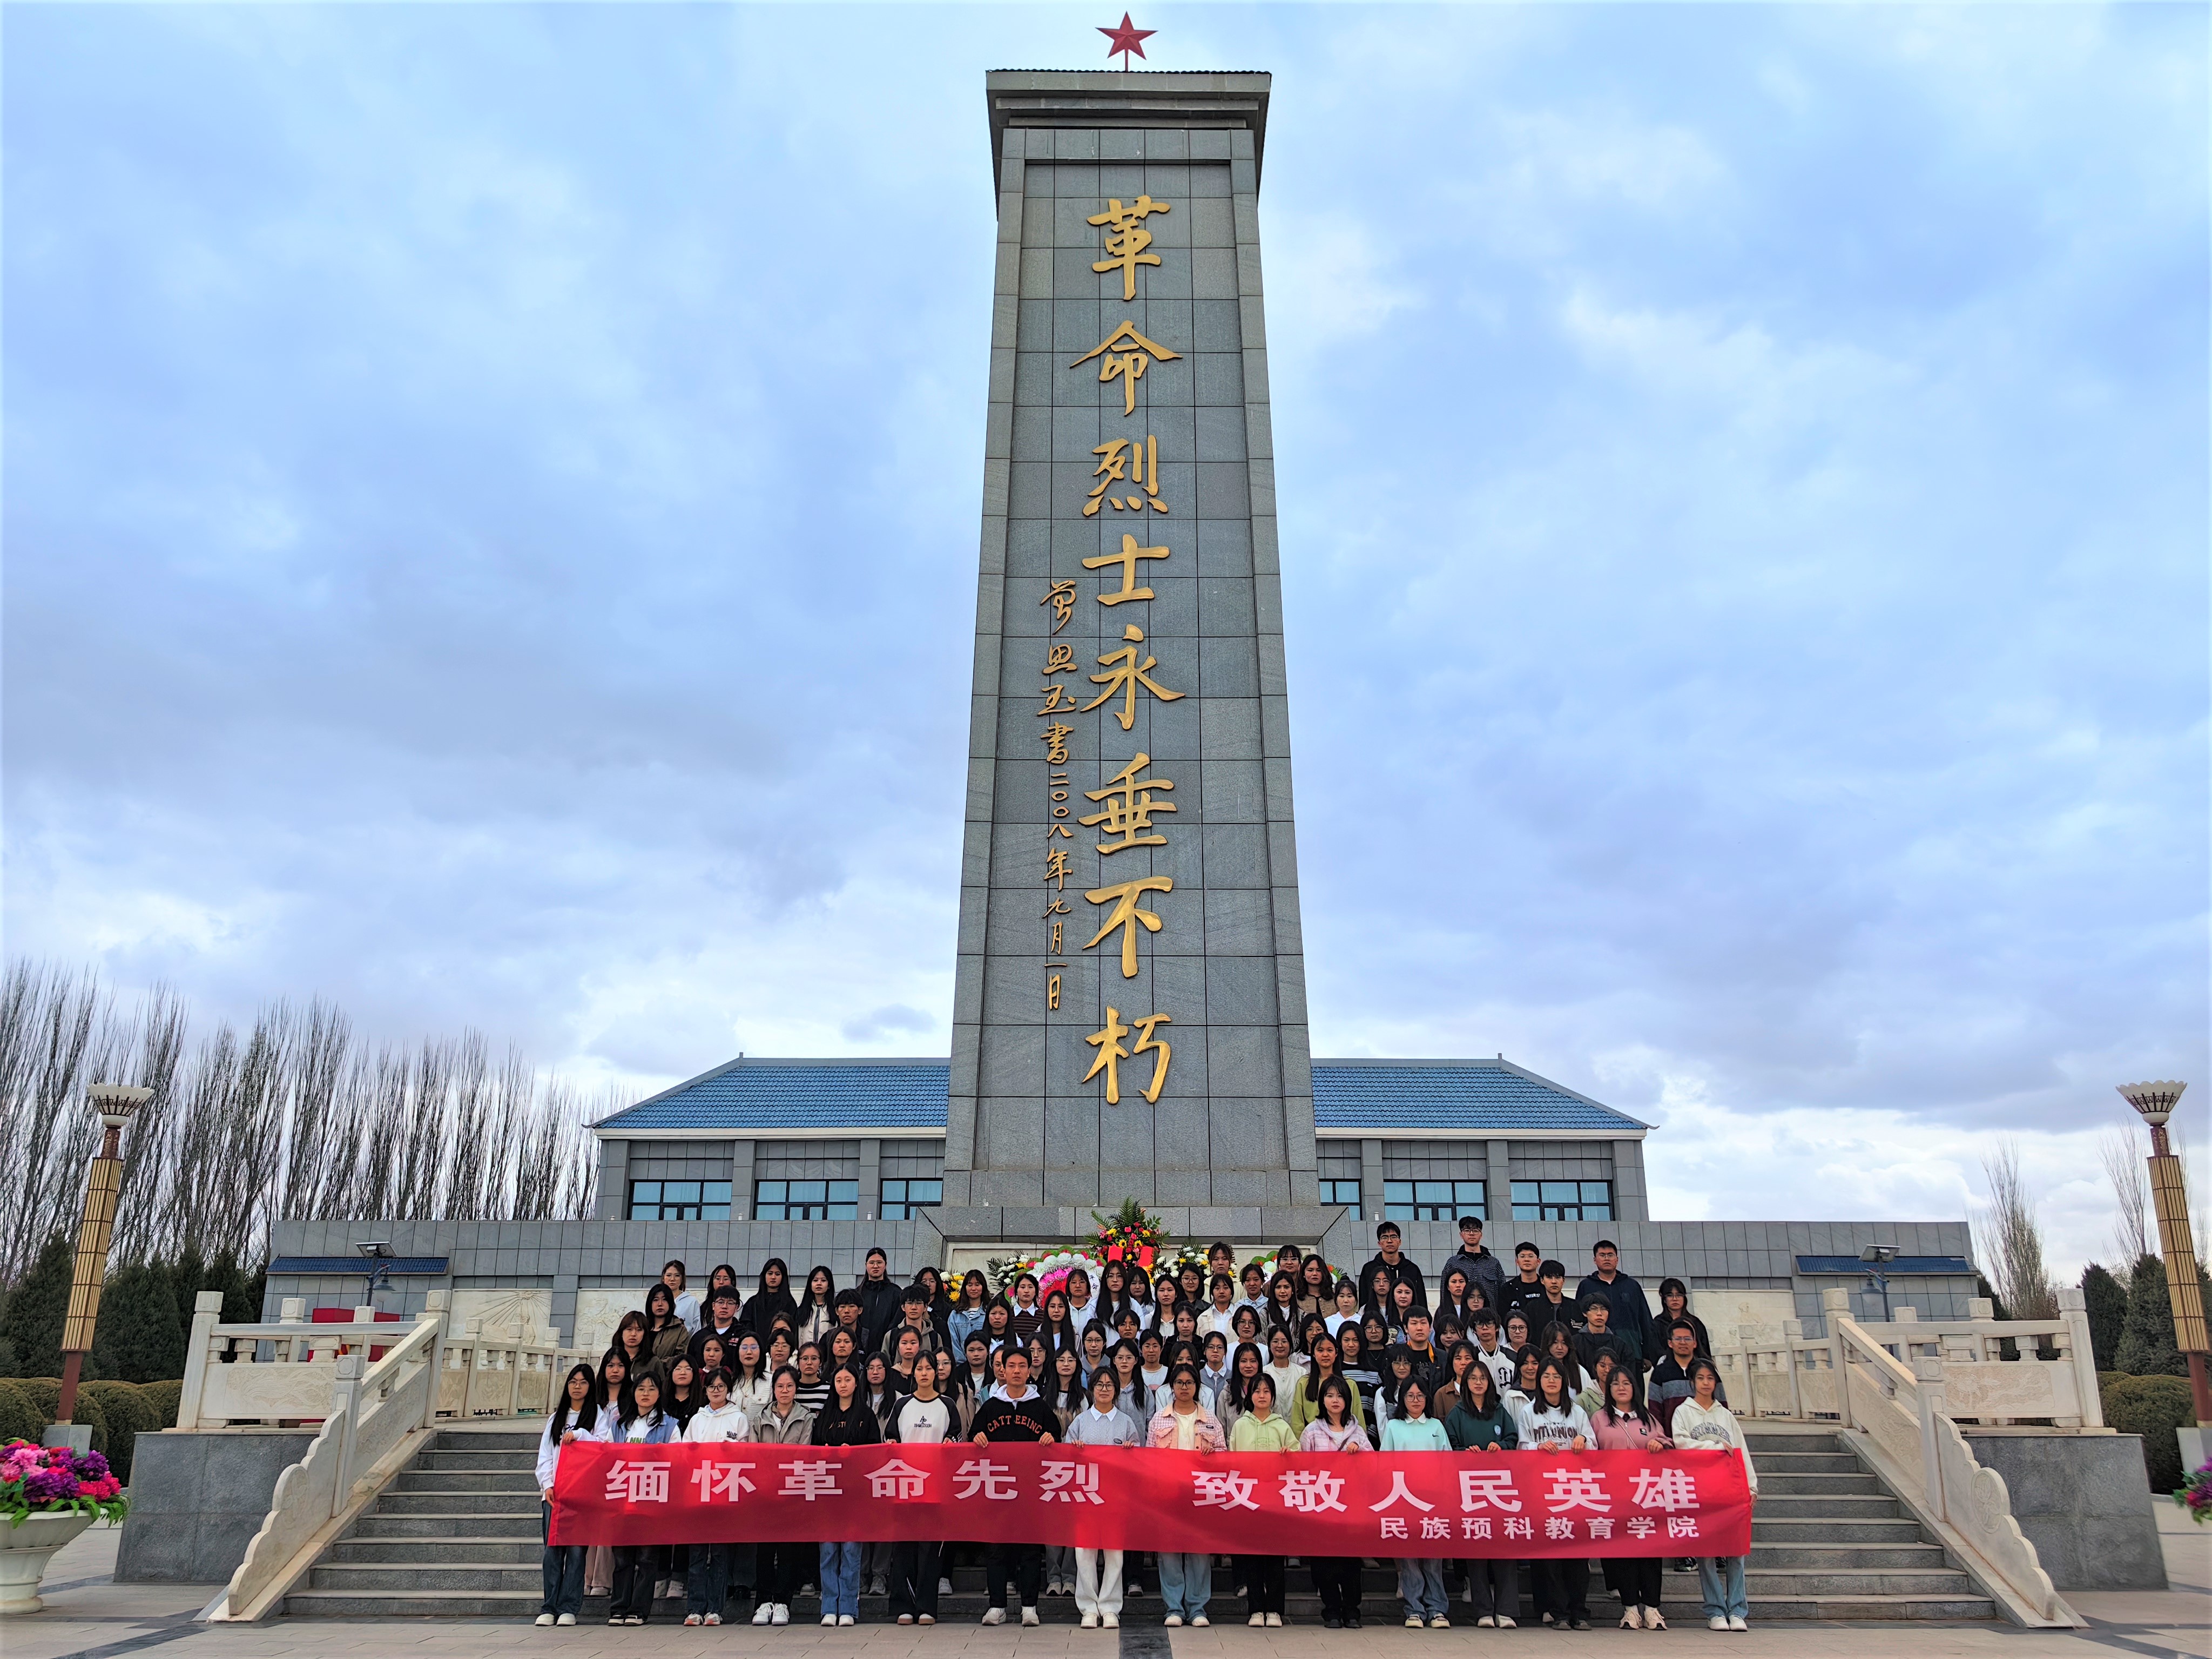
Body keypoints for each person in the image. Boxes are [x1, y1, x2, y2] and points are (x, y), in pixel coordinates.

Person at [970, 1347, 1056, 1627]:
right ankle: (997, 1606)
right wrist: (978, 1438)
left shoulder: (1040, 1407)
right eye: (1011, 1366)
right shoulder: (990, 1407)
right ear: (1002, 1370)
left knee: (1030, 1549)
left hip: (1031, 1490)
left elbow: (1057, 1438)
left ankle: (1030, 1607)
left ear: (1030, 1371)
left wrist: (1050, 1438)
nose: (1017, 1371)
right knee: (995, 1548)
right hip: (997, 1489)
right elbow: (972, 1438)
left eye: (1022, 1366)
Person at [1670, 1357, 1756, 1631]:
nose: (1706, 1383)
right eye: (1701, 1378)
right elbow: (1681, 1444)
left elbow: (1741, 1451)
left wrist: (1751, 1486)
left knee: (1736, 1551)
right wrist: (1715, 1446)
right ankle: (1715, 1610)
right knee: (1706, 1553)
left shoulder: (1725, 1415)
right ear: (1692, 1382)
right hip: (1701, 1490)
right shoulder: (1683, 1412)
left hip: (1730, 1490)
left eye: (1710, 1378)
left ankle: (1738, 1610)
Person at [1516, 1359, 1594, 1630]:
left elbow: (1594, 1444)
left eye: (1556, 1376)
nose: (1551, 1380)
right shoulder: (1528, 1412)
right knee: (1551, 1557)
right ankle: (1559, 1612)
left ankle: (1579, 1612)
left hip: (1575, 1490)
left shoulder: (1578, 1412)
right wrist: (1538, 1447)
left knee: (1578, 1556)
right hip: (1544, 1491)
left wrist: (1584, 1440)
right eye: (1546, 1376)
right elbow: (1521, 1447)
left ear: (1564, 1381)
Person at [1592, 1368, 1672, 1629]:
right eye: (1615, 1384)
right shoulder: (1600, 1419)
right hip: (1615, 1495)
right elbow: (1591, 1450)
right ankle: (1630, 1608)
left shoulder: (1648, 1419)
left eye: (1627, 1383)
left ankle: (1652, 1608)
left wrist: (1661, 1445)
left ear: (1635, 1388)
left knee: (1650, 1551)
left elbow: (1667, 1443)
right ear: (1609, 1390)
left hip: (1646, 1495)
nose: (1621, 1388)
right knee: (1623, 1551)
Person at [1148, 1362, 1224, 1628]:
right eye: (1179, 1383)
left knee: (1199, 1552)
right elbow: (1150, 1459)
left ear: (1197, 1387)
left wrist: (1213, 1456)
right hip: (1168, 1495)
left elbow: (1224, 1454)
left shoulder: (1210, 1420)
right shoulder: (1159, 1419)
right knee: (1169, 1553)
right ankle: (1174, 1608)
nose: (1184, 1387)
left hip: (1200, 1495)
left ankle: (1197, 1608)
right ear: (1172, 1387)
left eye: (1189, 1383)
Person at [1441, 1361, 1518, 1627]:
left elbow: (1513, 1438)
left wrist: (1501, 1446)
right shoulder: (1457, 1413)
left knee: (1504, 1546)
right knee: (1477, 1546)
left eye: (1482, 1378)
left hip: (1500, 1487)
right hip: (1469, 1488)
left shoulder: (1500, 1410)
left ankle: (1506, 1610)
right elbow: (1449, 1445)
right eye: (1473, 1378)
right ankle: (1484, 1611)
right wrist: (1465, 1452)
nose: (1477, 1382)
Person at [1064, 1368, 1139, 1629]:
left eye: (1109, 1385)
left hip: (1115, 1499)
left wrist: (1130, 1451)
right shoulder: (1081, 1422)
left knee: (1114, 1554)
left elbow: (1139, 1461)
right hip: (1086, 1497)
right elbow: (1066, 1460)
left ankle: (1110, 1607)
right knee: (1085, 1553)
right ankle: (1088, 1607)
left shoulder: (1126, 1423)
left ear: (1116, 1390)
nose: (1104, 1389)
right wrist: (1074, 1451)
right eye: (1100, 1385)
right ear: (1092, 1389)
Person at [810, 1363, 880, 1627]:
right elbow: (813, 1450)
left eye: (847, 1380)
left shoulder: (866, 1415)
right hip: (828, 1492)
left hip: (855, 1493)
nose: (843, 1385)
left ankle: (849, 1606)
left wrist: (855, 1453)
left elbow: (875, 1452)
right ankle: (829, 1606)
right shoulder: (825, 1415)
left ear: (856, 1383)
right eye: (838, 1380)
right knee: (828, 1550)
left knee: (851, 1550)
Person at [886, 1351, 953, 1627]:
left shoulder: (946, 1405)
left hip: (935, 1488)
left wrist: (950, 1443)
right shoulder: (902, 1404)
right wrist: (891, 1445)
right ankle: (903, 1605)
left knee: (930, 1549)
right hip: (905, 1486)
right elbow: (890, 1437)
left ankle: (927, 1607)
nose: (924, 1373)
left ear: (936, 1373)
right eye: (920, 1369)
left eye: (929, 1368)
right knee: (904, 1547)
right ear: (913, 1373)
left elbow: (956, 1438)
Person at [1296, 1375, 1368, 1629]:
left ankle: (1352, 1611)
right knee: (1324, 1562)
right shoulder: (1311, 1431)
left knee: (1351, 1561)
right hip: (1322, 1505)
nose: (1335, 1400)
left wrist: (1359, 1453)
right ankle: (1332, 1611)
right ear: (1322, 1400)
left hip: (1350, 1506)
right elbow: (1303, 1468)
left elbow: (1372, 1466)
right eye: (1329, 1396)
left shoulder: (1358, 1432)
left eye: (1339, 1396)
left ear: (1347, 1400)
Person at [1379, 1375, 1451, 1628]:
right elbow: (1385, 1464)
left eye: (1420, 1396)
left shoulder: (1436, 1426)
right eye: (1410, 1396)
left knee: (1433, 1558)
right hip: (1404, 1499)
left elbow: (1447, 1461)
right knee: (1409, 1558)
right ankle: (1415, 1609)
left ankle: (1437, 1609)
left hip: (1433, 1500)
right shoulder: (1394, 1427)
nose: (1416, 1400)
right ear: (1403, 1399)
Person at [682, 1367, 751, 1627]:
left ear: (728, 1389)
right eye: (712, 1387)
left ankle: (715, 1609)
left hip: (725, 1493)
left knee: (720, 1554)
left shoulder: (739, 1418)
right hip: (698, 1492)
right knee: (698, 1554)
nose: (716, 1391)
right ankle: (694, 1608)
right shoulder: (697, 1419)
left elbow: (746, 1453)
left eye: (721, 1387)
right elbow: (684, 1452)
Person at [606, 1372, 677, 1626]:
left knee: (647, 1558)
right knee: (622, 1558)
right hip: (623, 1498)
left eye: (651, 1389)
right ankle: (618, 1608)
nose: (646, 1394)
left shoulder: (670, 1425)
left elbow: (677, 1461)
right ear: (634, 1392)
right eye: (641, 1389)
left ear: (660, 1393)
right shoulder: (619, 1425)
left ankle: (638, 1610)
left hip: (651, 1498)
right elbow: (606, 1457)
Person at [748, 1365, 815, 1626]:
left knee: (789, 1549)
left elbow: (805, 1452)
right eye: (780, 1386)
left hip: (792, 1491)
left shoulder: (806, 1417)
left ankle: (783, 1603)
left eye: (789, 1386)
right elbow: (753, 1456)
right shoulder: (760, 1418)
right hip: (766, 1492)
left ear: (796, 1389)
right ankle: (764, 1602)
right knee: (765, 1550)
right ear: (773, 1389)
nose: (784, 1391)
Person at [1227, 1373, 1296, 1626]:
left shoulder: (1282, 1426)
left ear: (1273, 1397)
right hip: (1249, 1500)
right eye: (1257, 1391)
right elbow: (1231, 1460)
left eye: (1267, 1391)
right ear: (1250, 1395)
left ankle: (1275, 1610)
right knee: (1252, 1557)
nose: (1262, 1395)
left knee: (1275, 1557)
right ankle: (1256, 1609)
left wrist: (1289, 1454)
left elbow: (1298, 1456)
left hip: (1276, 1500)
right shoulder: (1240, 1426)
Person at [534, 1363, 599, 1627]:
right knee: (552, 1552)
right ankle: (549, 1606)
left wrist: (581, 1434)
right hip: (555, 1495)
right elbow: (545, 1456)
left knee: (576, 1552)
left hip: (582, 1495)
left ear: (591, 1386)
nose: (577, 1387)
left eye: (583, 1382)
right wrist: (547, 1484)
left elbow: (604, 1447)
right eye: (573, 1382)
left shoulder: (598, 1416)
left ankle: (569, 1607)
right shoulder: (556, 1418)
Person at [1577, 1240, 1657, 1367]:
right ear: (1595, 1260)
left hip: (1631, 1350)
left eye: (1610, 1255)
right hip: (1594, 1354)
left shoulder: (1632, 1286)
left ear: (1617, 1259)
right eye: (1602, 1255)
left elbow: (1644, 1320)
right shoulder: (1586, 1286)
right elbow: (1579, 1319)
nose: (1607, 1258)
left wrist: (1648, 1354)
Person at [1649, 1318, 1724, 1430]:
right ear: (1670, 1343)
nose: (1683, 1342)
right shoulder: (1660, 1373)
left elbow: (1722, 1404)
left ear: (1695, 1343)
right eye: (1678, 1339)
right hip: (1672, 1435)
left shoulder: (1707, 1371)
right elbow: (1655, 1410)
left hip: (1707, 1434)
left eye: (1687, 1339)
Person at [1291, 1329, 1365, 1433]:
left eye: (1330, 1350)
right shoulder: (1304, 1384)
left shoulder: (1349, 1384)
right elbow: (1297, 1422)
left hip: (1344, 1439)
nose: (1325, 1355)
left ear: (1336, 1353)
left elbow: (1358, 1419)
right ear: (1313, 1354)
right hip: (1312, 1439)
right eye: (1320, 1350)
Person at [1442, 1216, 1507, 1315]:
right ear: (1461, 1235)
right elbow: (1444, 1293)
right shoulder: (1453, 1263)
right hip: (1461, 1317)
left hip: (1490, 1317)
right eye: (1467, 1230)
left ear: (1481, 1235)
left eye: (1476, 1230)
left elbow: (1503, 1293)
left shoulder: (1494, 1263)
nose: (1471, 1233)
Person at [880, 1281, 950, 1362]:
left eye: (919, 1303)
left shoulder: (934, 1338)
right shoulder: (891, 1336)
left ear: (925, 1307)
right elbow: (885, 1364)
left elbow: (939, 1364)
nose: (914, 1307)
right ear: (903, 1307)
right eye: (910, 1303)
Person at [1359, 1221, 1427, 1305]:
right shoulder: (1369, 1269)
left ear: (1400, 1242)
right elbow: (1364, 1300)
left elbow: (1421, 1301)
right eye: (1385, 1237)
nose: (1389, 1241)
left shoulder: (1412, 1269)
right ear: (1379, 1243)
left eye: (1393, 1237)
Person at [741, 1259, 799, 1346]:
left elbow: (793, 1332)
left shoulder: (789, 1304)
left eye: (777, 1274)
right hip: (756, 1348)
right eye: (770, 1273)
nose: (773, 1277)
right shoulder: (753, 1303)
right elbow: (746, 1328)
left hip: (779, 1348)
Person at [855, 1247, 902, 1347]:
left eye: (879, 1263)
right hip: (860, 1346)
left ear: (885, 1265)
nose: (875, 1266)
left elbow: (897, 1320)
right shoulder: (857, 1293)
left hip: (887, 1345)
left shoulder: (896, 1293)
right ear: (866, 1265)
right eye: (872, 1263)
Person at [1657, 1279, 1712, 1356]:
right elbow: (1656, 1352)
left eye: (1679, 1295)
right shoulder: (1657, 1324)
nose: (1675, 1299)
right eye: (1670, 1295)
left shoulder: (1695, 1323)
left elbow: (1704, 1350)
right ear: (1664, 1300)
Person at [948, 1271, 992, 1351]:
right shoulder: (955, 1315)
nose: (974, 1288)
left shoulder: (989, 1313)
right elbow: (954, 1343)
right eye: (970, 1285)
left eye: (977, 1285)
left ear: (983, 1287)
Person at [795, 1265, 838, 1344]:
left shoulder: (835, 1311)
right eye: (815, 1280)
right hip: (805, 1351)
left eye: (823, 1280)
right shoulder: (801, 1310)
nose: (819, 1284)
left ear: (829, 1285)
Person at [659, 1259, 701, 1333]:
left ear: (682, 1279)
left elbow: (696, 1329)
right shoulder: (656, 1299)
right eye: (669, 1275)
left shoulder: (691, 1302)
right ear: (663, 1278)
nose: (672, 1279)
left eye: (677, 1276)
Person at [1201, 1273, 1241, 1338]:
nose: (1222, 1292)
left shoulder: (1241, 1315)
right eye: (1217, 1288)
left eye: (1226, 1288)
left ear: (1232, 1291)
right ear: (1212, 1292)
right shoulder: (1203, 1318)